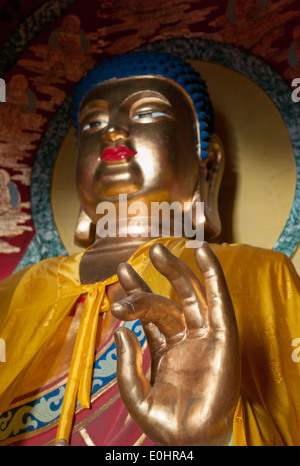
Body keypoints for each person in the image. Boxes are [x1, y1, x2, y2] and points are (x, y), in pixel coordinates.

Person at [0, 51, 299, 447]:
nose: (113, 133)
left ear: (207, 165)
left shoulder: (258, 274)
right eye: (93, 123)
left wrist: (215, 438)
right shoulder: (12, 294)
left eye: (146, 115)